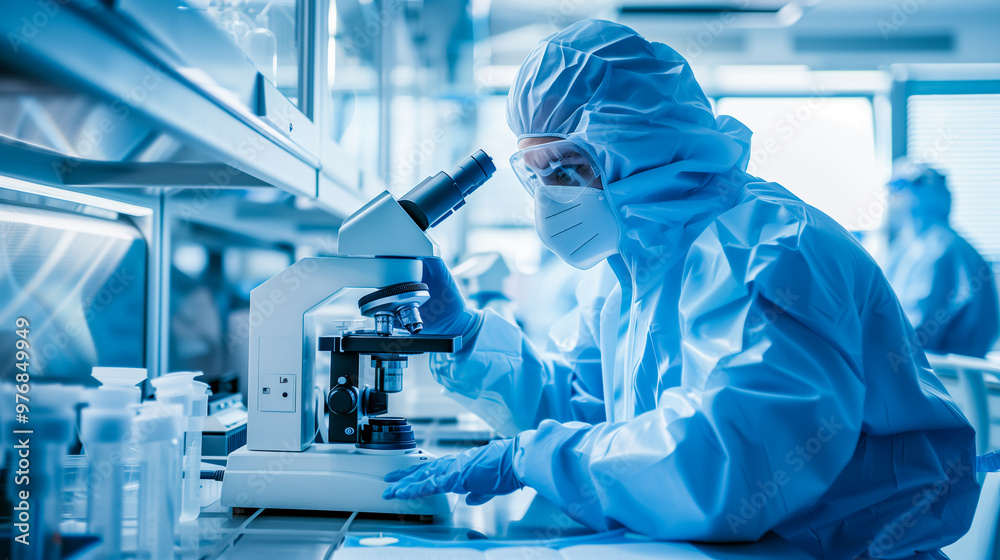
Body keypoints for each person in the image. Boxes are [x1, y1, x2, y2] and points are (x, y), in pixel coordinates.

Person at [383, 19, 980, 559]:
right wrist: (461, 335)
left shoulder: (771, 254)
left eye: (567, 169)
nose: (548, 200)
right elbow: (583, 414)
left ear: (640, 144)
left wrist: (530, 458)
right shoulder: (633, 269)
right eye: (535, 174)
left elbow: (729, 469)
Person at [884, 159, 1000, 358]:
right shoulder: (918, 247)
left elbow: (913, 335)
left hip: (939, 378)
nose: (889, 196)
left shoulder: (940, 251)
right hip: (938, 375)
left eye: (896, 187)